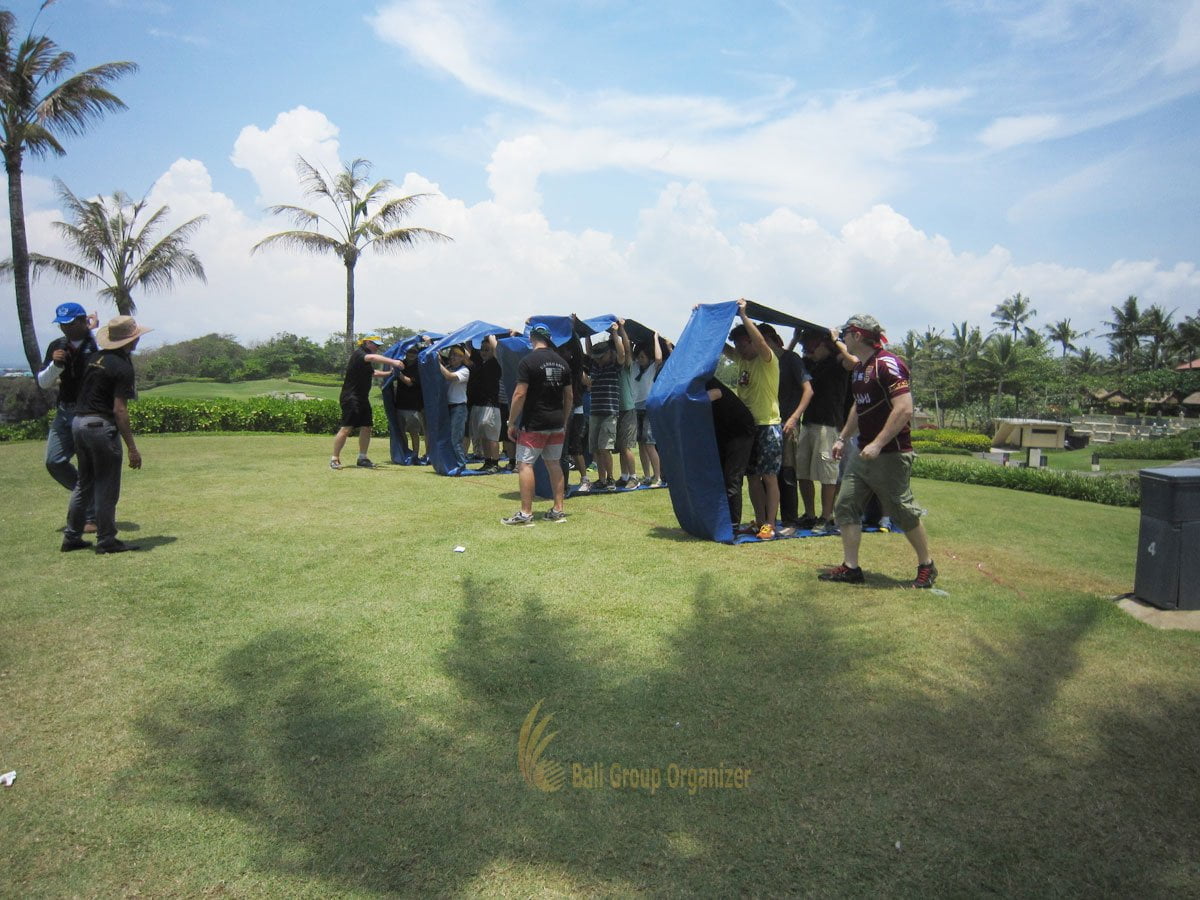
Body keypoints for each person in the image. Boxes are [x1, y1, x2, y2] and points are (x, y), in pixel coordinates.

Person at [818, 314, 937, 588]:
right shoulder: (861, 367)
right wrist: (842, 438)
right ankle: (851, 567)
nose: (842, 337)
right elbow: (859, 406)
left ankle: (927, 565)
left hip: (891, 453)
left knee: (902, 510)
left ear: (857, 335)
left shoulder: (888, 364)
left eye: (846, 333)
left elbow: (904, 408)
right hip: (863, 452)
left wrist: (878, 443)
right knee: (846, 504)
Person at [60, 315, 150, 554]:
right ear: (132, 340)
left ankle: (71, 536)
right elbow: (119, 410)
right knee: (106, 485)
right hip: (100, 427)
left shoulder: (94, 358)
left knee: (84, 483)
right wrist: (132, 447)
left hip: (79, 422)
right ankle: (106, 539)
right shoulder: (122, 367)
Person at [37, 302, 99, 532]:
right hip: (64, 411)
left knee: (87, 464)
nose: (66, 329)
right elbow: (44, 382)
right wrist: (56, 365)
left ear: (83, 321)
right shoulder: (57, 346)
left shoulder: (95, 345)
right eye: (62, 325)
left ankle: (91, 515)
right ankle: (89, 500)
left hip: (88, 412)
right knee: (54, 461)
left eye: (71, 324)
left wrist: (92, 330)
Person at [722, 300, 781, 540]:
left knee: (769, 477)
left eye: (743, 344)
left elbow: (761, 343)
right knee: (753, 477)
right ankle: (759, 521)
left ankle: (771, 524)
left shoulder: (767, 359)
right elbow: (722, 347)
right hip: (748, 427)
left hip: (768, 424)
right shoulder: (743, 360)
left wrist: (744, 316)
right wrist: (710, 318)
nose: (739, 349)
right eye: (737, 345)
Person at [788, 327, 857, 531]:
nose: (806, 351)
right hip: (808, 423)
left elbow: (854, 362)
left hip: (829, 425)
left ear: (823, 344)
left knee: (828, 474)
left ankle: (826, 516)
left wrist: (836, 341)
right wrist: (794, 340)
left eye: (810, 346)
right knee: (803, 472)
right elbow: (785, 359)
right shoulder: (809, 363)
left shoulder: (837, 362)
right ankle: (810, 514)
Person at [503, 324, 572, 525]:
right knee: (554, 464)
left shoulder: (528, 361)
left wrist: (511, 421)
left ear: (532, 338)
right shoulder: (562, 363)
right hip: (556, 422)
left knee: (525, 465)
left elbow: (519, 394)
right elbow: (569, 396)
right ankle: (558, 510)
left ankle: (526, 513)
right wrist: (564, 420)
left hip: (535, 423)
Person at [763, 323, 812, 534]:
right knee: (769, 473)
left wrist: (794, 418)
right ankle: (769, 519)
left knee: (787, 472)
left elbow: (808, 390)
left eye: (764, 341)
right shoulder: (766, 361)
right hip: (770, 423)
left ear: (773, 340)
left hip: (788, 424)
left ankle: (790, 522)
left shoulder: (791, 359)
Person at [330, 335, 405, 470]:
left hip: (362, 398)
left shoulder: (365, 359)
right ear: (367, 343)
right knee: (347, 428)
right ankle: (334, 458)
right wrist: (393, 362)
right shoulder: (360, 354)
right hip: (351, 397)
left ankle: (362, 458)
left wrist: (389, 374)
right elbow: (372, 358)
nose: (377, 347)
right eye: (376, 344)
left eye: (379, 345)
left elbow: (373, 373)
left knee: (366, 427)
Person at [706, 377, 756, 530]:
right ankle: (722, 518)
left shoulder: (707, 381)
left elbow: (715, 393)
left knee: (732, 478)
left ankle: (733, 524)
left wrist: (688, 400)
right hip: (725, 432)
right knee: (721, 477)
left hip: (740, 431)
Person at [585, 326, 623, 490]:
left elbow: (622, 354)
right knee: (596, 449)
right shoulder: (595, 366)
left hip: (609, 412)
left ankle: (610, 479)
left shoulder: (614, 366)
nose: (598, 360)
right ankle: (601, 480)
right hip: (595, 411)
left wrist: (615, 333)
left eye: (601, 357)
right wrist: (587, 335)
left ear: (609, 353)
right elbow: (588, 352)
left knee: (605, 448)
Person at [632, 333, 665, 486]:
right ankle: (646, 476)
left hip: (648, 408)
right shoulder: (635, 367)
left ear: (648, 358)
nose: (640, 359)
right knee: (641, 444)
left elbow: (659, 358)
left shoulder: (652, 368)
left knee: (650, 443)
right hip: (636, 408)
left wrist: (655, 339)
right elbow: (628, 352)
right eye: (638, 357)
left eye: (643, 357)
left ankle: (657, 477)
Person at [467, 334, 503, 472]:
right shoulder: (480, 363)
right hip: (478, 404)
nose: (483, 352)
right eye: (482, 349)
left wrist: (492, 340)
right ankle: (487, 462)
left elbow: (498, 352)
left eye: (487, 349)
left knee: (492, 437)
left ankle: (495, 463)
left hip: (491, 405)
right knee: (483, 436)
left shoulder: (496, 363)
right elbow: (469, 348)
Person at [438, 344, 472, 471]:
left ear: (462, 358)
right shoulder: (448, 368)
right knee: (447, 437)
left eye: (456, 355)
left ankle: (461, 464)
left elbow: (449, 376)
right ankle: (451, 463)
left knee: (455, 438)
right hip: (447, 407)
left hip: (459, 407)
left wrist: (438, 363)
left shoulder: (464, 370)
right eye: (451, 354)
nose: (452, 357)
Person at [614, 319, 639, 488]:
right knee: (621, 446)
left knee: (627, 447)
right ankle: (624, 477)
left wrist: (620, 329)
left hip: (628, 409)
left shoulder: (626, 366)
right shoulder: (612, 367)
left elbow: (627, 348)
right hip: (616, 410)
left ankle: (634, 477)